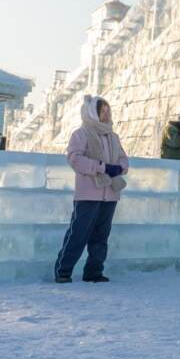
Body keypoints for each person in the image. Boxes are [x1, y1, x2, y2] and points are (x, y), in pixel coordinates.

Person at [54, 94, 129, 284]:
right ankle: (63, 271)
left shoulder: (113, 137)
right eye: (102, 111)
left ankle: (94, 272)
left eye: (108, 110)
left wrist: (119, 168)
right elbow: (75, 159)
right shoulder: (81, 134)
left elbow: (123, 159)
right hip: (88, 193)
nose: (106, 114)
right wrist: (102, 167)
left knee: (101, 237)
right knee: (78, 234)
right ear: (92, 113)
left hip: (110, 193)